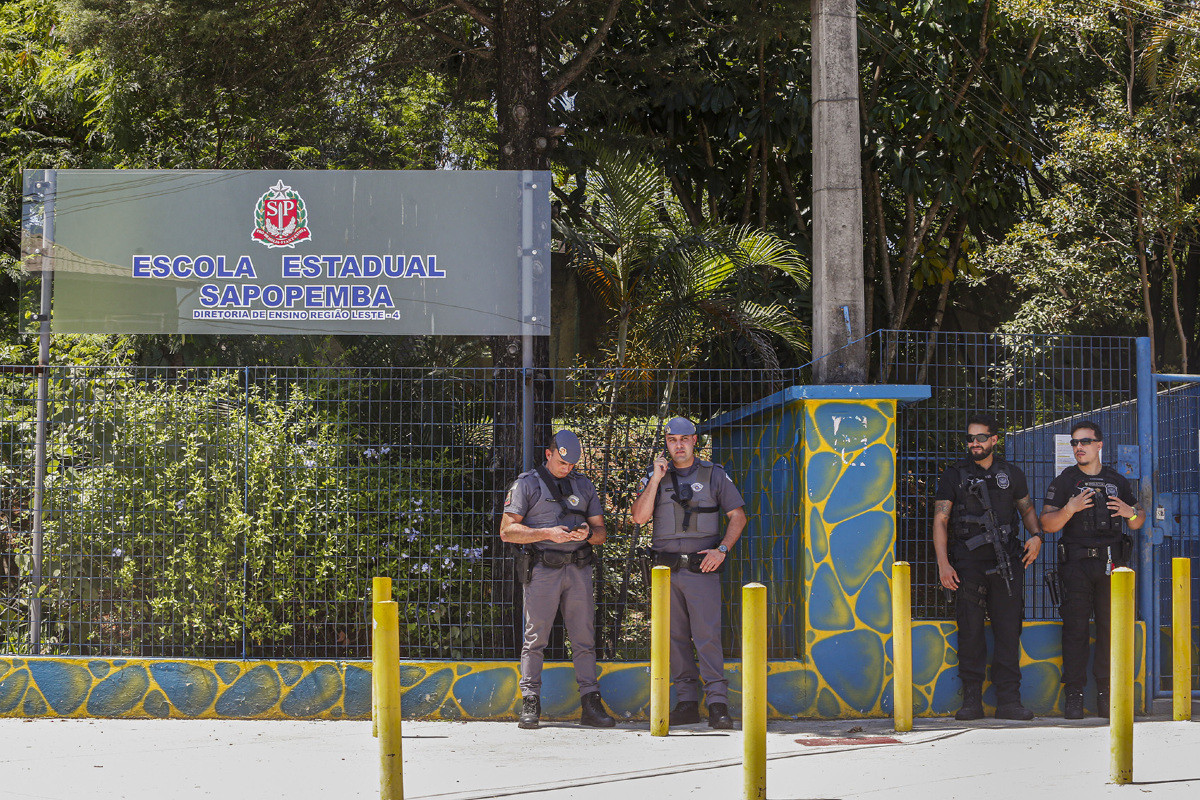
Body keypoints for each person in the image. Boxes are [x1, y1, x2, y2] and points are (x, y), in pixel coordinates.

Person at [630, 416, 747, 729]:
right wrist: (654, 480)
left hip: (701, 569)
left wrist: (721, 550)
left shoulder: (713, 474)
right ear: (666, 443)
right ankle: (687, 703)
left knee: (707, 635)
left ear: (695, 440)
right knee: (674, 637)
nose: (678, 445)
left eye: (684, 439)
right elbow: (639, 518)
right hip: (665, 570)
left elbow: (738, 516)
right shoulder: (655, 476)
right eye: (672, 440)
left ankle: (718, 705)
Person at [500, 429, 616, 730]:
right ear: (549, 454)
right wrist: (546, 533)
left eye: (572, 465)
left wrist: (588, 535)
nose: (568, 469)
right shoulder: (527, 484)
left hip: (578, 570)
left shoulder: (583, 485)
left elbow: (601, 532)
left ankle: (590, 703)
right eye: (563, 463)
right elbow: (507, 531)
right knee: (535, 638)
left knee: (584, 638)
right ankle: (530, 701)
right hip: (542, 570)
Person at [932, 413, 1043, 721]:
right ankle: (972, 701)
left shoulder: (1011, 473)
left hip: (1007, 560)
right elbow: (941, 520)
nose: (975, 443)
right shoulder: (955, 474)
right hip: (968, 563)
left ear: (995, 439)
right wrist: (943, 564)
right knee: (970, 632)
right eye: (970, 438)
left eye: (981, 438)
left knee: (1008, 631)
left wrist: (1037, 537)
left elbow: (1028, 510)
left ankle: (1009, 701)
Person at [1039, 420, 1144, 720]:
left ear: (1099, 444)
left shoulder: (1117, 480)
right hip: (1076, 566)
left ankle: (1106, 693)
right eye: (1074, 443)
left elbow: (1137, 520)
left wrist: (1131, 512)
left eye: (1084, 442)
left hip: (1112, 565)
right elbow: (1047, 524)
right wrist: (1070, 508)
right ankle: (1074, 693)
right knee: (1075, 631)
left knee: (1111, 630)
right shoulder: (1065, 481)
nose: (1078, 447)